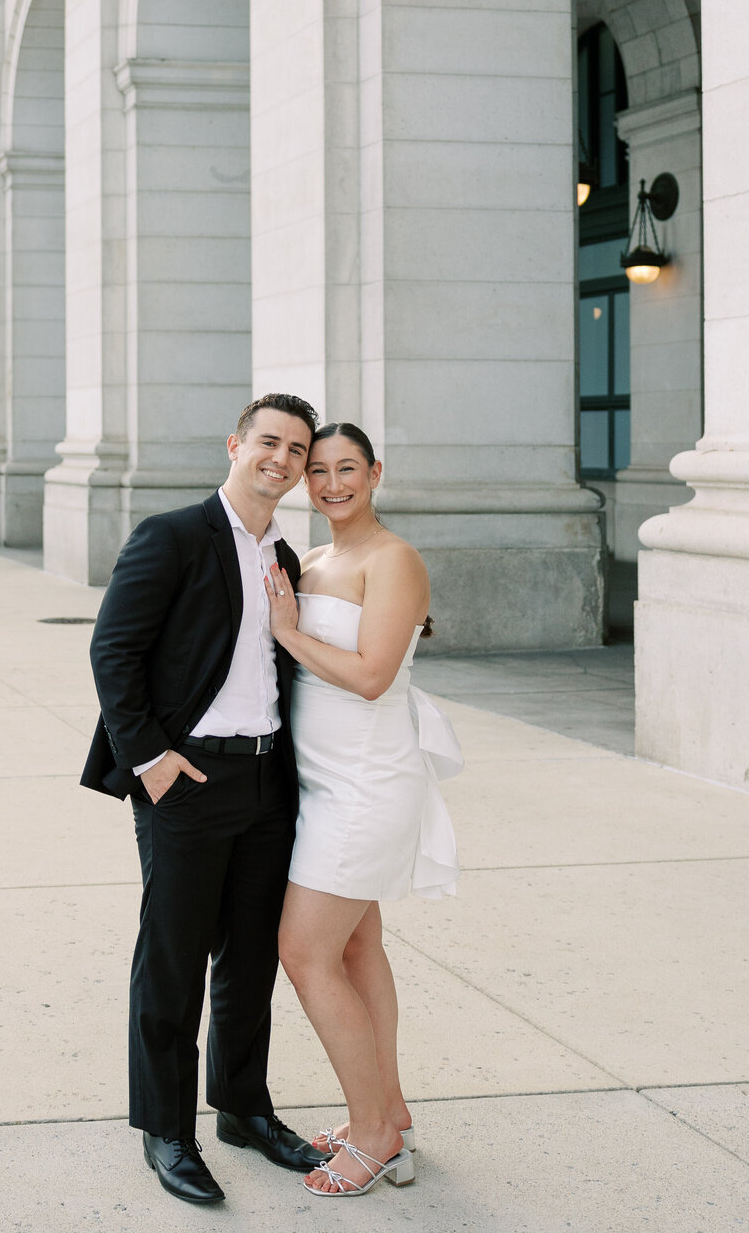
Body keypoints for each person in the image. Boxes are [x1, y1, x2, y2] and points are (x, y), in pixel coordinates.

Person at [82, 394, 326, 1205]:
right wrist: (149, 759)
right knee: (175, 958)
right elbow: (114, 649)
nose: (282, 459)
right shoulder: (174, 535)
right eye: (269, 442)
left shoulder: (285, 557)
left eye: (297, 449)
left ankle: (242, 1108)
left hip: (266, 779)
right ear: (235, 444)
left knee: (252, 957)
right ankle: (167, 1130)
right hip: (185, 779)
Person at [266, 421, 463, 1199]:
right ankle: (392, 1114)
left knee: (304, 953)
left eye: (347, 468)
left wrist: (287, 630)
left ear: (376, 473)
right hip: (319, 783)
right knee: (353, 950)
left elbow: (375, 674)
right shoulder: (312, 559)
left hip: (367, 783)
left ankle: (373, 1133)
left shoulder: (394, 560)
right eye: (317, 471)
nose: (331, 483)